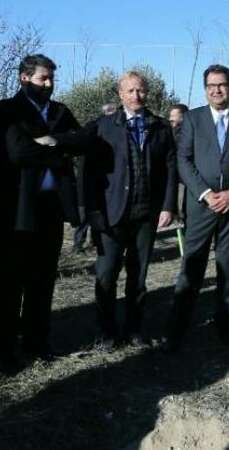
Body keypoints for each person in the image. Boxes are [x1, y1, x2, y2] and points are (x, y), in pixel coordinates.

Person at [0, 54, 91, 368]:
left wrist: (54, 140)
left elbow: (85, 139)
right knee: (9, 282)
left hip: (51, 209)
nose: (48, 84)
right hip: (16, 211)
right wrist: (60, 154)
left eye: (51, 79)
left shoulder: (60, 111)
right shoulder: (7, 111)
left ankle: (36, 341)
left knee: (42, 280)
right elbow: (18, 152)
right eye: (42, 78)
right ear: (24, 78)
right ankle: (3, 349)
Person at [83, 71, 176, 349]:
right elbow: (90, 174)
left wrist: (169, 205)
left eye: (141, 90)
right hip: (112, 216)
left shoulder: (160, 126)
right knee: (107, 274)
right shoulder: (104, 126)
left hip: (145, 214)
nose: (137, 96)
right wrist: (94, 212)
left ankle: (134, 330)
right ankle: (107, 332)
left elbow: (171, 167)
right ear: (120, 94)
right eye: (130, 91)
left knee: (138, 277)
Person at [166, 64, 229, 351]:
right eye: (212, 85)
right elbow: (183, 160)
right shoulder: (193, 119)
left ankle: (227, 329)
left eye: (222, 84)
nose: (217, 90)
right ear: (205, 89)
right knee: (192, 268)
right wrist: (205, 193)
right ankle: (176, 332)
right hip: (201, 206)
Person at [73, 103, 118, 253]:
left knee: (98, 212)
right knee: (83, 213)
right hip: (87, 178)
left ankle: (95, 241)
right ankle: (78, 244)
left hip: (103, 179)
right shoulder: (94, 127)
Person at [167, 103, 188, 224]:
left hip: (183, 179)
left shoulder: (185, 134)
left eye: (174, 117)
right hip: (177, 178)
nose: (171, 119)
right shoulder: (171, 133)